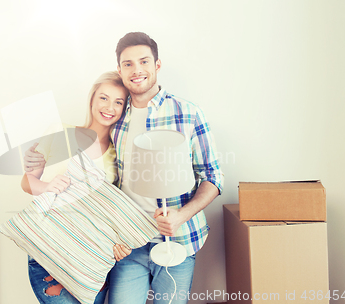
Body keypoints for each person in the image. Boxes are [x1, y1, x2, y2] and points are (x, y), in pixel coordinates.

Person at [106, 32, 224, 304]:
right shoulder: (114, 119)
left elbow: (213, 176)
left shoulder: (188, 113)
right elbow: (107, 181)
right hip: (129, 241)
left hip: (178, 239)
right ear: (119, 70)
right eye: (128, 64)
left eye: (144, 61)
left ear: (157, 65)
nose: (137, 70)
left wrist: (181, 215)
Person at [21, 71, 133, 304]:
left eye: (118, 102)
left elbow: (114, 210)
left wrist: (120, 242)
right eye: (104, 98)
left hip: (92, 256)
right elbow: (26, 182)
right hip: (49, 249)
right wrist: (47, 186)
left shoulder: (119, 154)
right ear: (92, 99)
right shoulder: (59, 132)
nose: (109, 107)